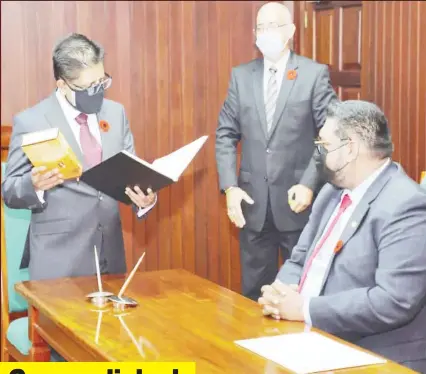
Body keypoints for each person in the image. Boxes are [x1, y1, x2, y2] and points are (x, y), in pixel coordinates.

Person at [259, 100, 426, 373]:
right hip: (310, 339)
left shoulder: (407, 205)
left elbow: (393, 301)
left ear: (349, 149)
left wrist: (305, 309)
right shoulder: (331, 193)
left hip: (373, 356)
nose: (317, 154)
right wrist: (281, 293)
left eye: (324, 146)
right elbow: (299, 260)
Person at [2, 33, 156, 282]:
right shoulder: (31, 122)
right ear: (62, 84)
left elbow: (131, 174)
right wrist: (34, 184)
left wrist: (145, 198)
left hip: (110, 257)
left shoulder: (116, 114)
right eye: (87, 87)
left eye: (102, 82)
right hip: (58, 263)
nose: (97, 92)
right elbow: (9, 190)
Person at [215, 2, 337, 300]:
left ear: (291, 31)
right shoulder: (241, 76)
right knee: (254, 296)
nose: (265, 33)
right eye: (260, 27)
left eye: (273, 26)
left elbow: (331, 136)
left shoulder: (313, 74)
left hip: (299, 205)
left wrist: (309, 184)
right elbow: (226, 134)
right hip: (252, 206)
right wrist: (230, 187)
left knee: (301, 293)